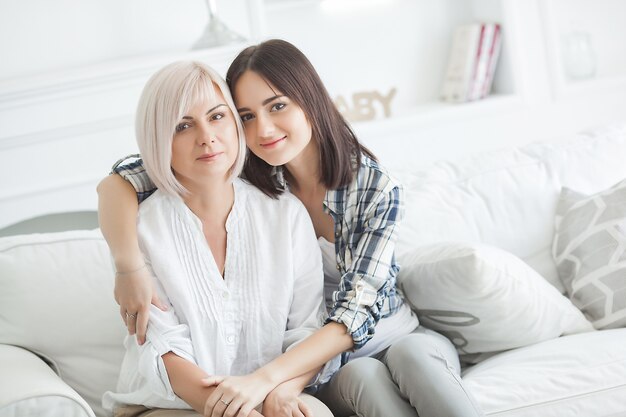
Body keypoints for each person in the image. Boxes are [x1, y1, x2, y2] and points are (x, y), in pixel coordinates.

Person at [98, 40, 485, 417]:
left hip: (373, 337)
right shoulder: (242, 165)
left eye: (278, 106)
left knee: (410, 354)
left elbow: (355, 313)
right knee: (364, 375)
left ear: (310, 101)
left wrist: (268, 381)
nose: (263, 129)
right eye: (247, 116)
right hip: (330, 366)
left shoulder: (372, 189)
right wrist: (127, 266)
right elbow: (122, 179)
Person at [100, 60, 337, 417]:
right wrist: (235, 411)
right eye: (182, 125)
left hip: (268, 391)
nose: (206, 137)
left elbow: (307, 327)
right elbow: (163, 350)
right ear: (158, 140)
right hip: (169, 405)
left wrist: (282, 393)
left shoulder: (285, 214)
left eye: (217, 117)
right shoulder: (140, 228)